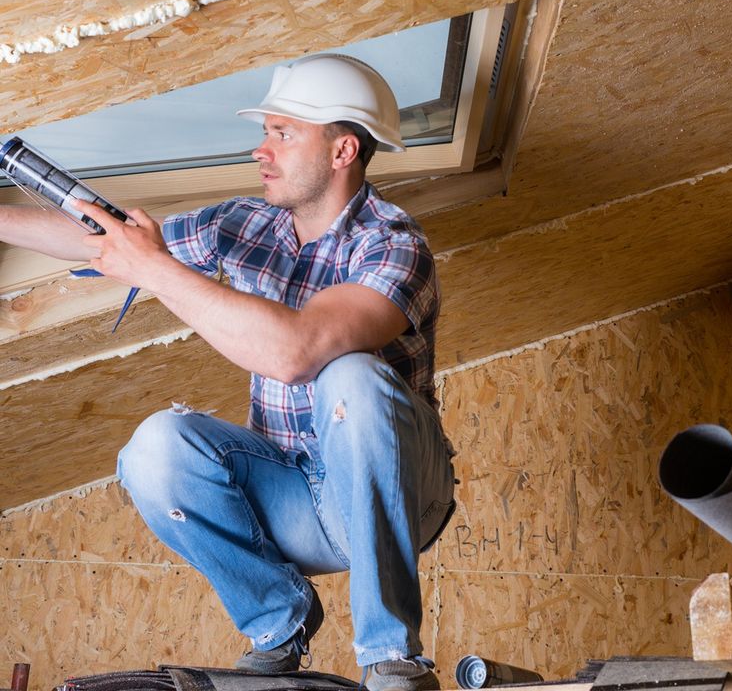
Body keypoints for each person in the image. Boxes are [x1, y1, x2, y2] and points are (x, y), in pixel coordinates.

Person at [0, 55, 456, 691]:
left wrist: (153, 268)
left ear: (342, 149)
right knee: (156, 448)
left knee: (348, 374)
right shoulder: (244, 224)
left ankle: (391, 655)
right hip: (294, 493)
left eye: (282, 134)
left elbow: (298, 351)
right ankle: (279, 622)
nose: (260, 151)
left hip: (397, 494)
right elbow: (98, 242)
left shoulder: (393, 243)